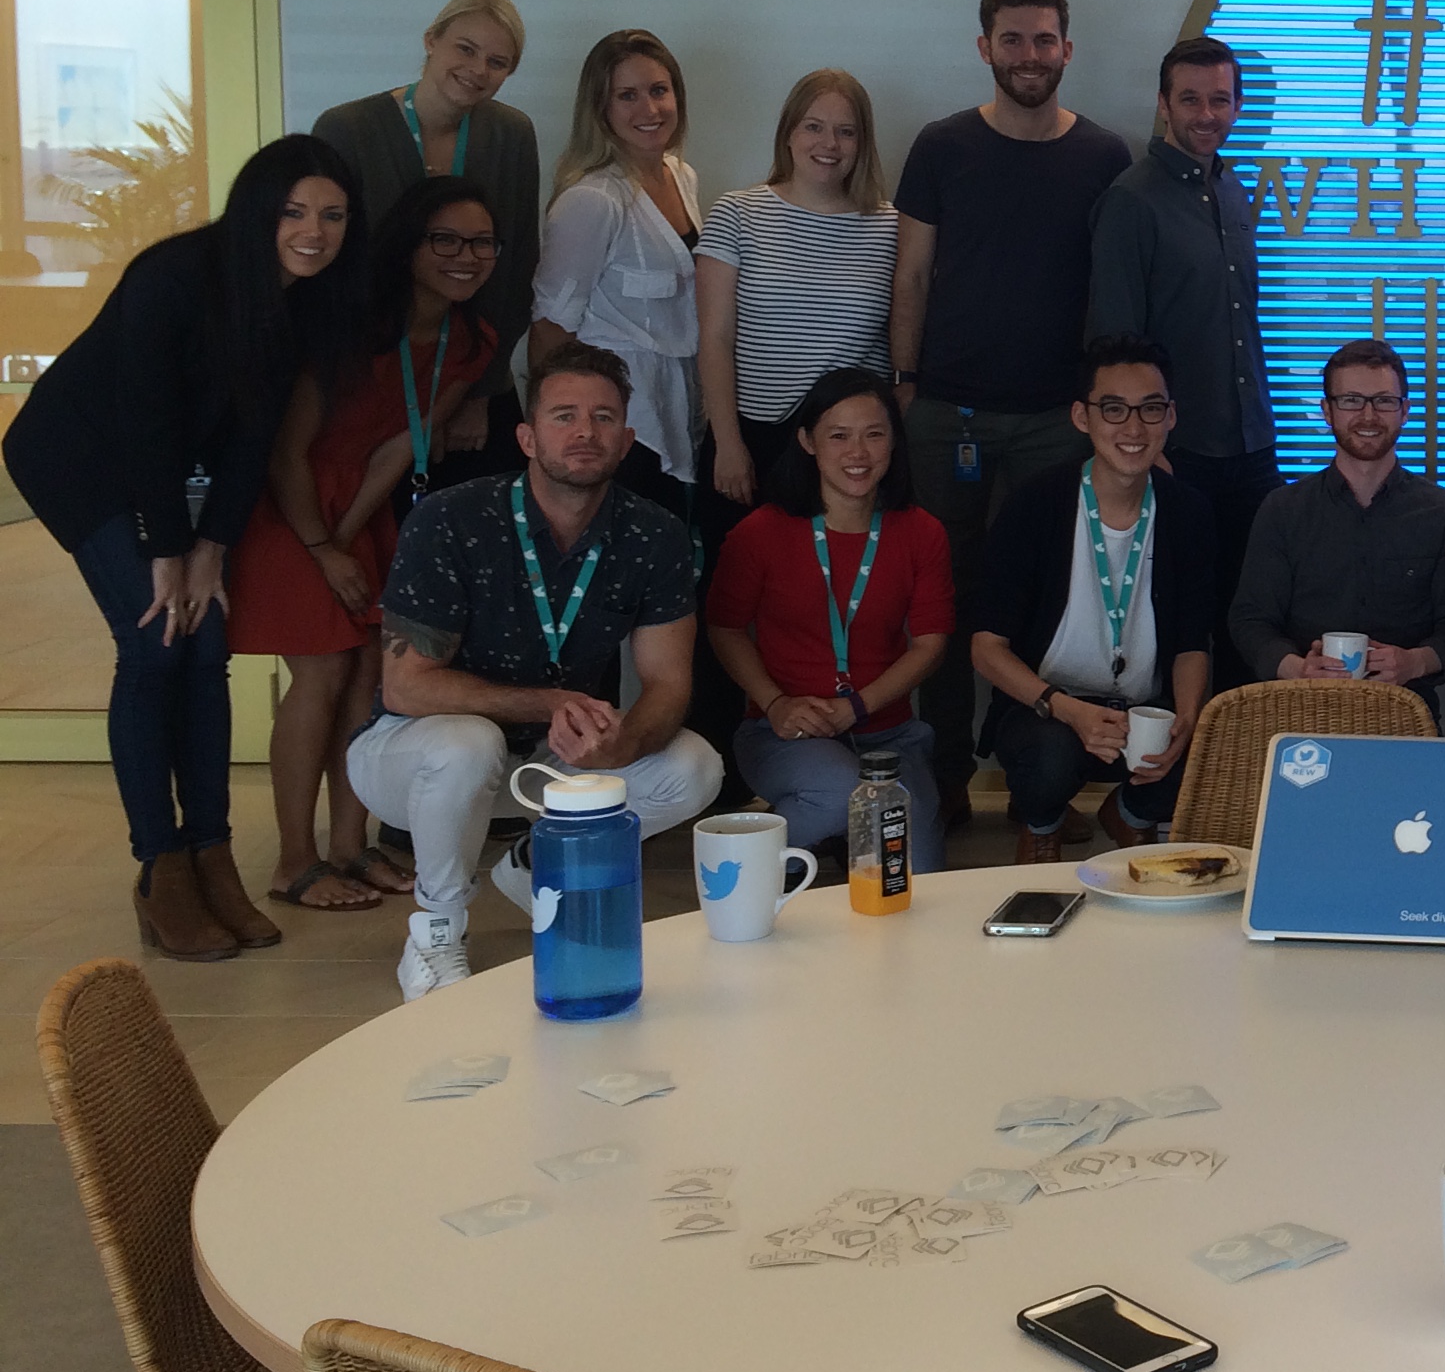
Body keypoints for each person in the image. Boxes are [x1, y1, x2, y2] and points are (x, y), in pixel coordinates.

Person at [4, 137, 365, 962]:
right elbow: (148, 422)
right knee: (155, 642)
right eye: (293, 212)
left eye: (333, 216)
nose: (313, 232)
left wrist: (212, 547)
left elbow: (252, 437)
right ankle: (160, 869)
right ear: (257, 212)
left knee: (206, 646)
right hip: (79, 458)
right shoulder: (174, 276)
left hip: (172, 472)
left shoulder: (305, 300)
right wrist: (169, 549)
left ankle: (212, 856)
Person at [346, 342, 722, 999]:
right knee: (468, 742)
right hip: (415, 755)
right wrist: (548, 702)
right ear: (527, 437)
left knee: (695, 767)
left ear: (627, 439)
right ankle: (437, 930)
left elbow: (668, 682)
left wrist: (625, 742)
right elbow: (406, 686)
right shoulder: (450, 519)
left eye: (604, 418)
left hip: (554, 756)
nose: (585, 433)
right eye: (564, 416)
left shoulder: (653, 534)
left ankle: (538, 864)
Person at [229, 176, 505, 915]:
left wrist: (349, 535)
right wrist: (322, 547)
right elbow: (287, 452)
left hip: (362, 510)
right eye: (445, 240)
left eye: (482, 243)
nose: (465, 256)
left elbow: (400, 447)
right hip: (291, 504)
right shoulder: (349, 324)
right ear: (408, 246)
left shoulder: (473, 339)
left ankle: (350, 845)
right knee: (321, 671)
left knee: (366, 676)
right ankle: (295, 861)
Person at [892, 0, 1133, 796]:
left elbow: (1108, 293)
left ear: (1067, 49)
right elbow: (911, 276)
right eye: (1013, 39)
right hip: (946, 414)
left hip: (1057, 421)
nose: (1029, 55)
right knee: (942, 600)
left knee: (1044, 595)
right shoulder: (941, 146)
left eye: (1043, 40)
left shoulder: (1104, 156)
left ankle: (1032, 767)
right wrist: (904, 386)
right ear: (984, 47)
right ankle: (944, 779)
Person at [970, 337, 1217, 863]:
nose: (1134, 428)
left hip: (1143, 710)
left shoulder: (1189, 512)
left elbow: (1192, 644)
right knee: (1049, 756)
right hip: (1048, 707)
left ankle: (1129, 814)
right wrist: (1066, 709)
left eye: (1151, 409)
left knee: (1210, 745)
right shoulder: (1035, 504)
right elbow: (986, 648)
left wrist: (1187, 720)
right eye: (1114, 409)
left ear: (1171, 416)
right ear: (1082, 417)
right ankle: (1043, 825)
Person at [705, 370, 955, 873]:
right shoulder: (761, 531)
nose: (857, 452)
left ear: (894, 441)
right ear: (807, 441)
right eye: (839, 435)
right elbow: (724, 628)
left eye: (874, 434)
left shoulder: (922, 531)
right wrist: (775, 703)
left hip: (887, 734)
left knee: (915, 875)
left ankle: (827, 835)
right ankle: (736, 877)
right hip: (784, 731)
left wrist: (856, 707)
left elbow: (930, 644)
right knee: (841, 791)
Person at [1089, 36, 1280, 634]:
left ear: (1238, 105)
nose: (1206, 114)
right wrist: (1149, 449)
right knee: (1182, 618)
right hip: (1181, 449)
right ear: (1163, 104)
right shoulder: (1131, 199)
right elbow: (1114, 344)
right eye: (1190, 99)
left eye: (1220, 100)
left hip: (1251, 445)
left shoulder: (1231, 190)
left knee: (1251, 613)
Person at [311, 0, 540, 484]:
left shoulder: (512, 134)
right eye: (465, 49)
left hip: (474, 373)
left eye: (497, 62)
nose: (477, 70)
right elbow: (330, 265)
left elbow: (515, 266)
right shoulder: (347, 129)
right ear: (431, 40)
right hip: (374, 374)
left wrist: (476, 393)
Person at [1226, 337, 1445, 718]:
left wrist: (1413, 663)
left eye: (1383, 401)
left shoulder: (1444, 513)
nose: (1368, 416)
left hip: (1406, 715)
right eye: (1351, 400)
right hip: (1298, 712)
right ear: (1327, 411)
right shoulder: (1282, 509)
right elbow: (1250, 621)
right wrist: (1298, 669)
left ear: (1405, 411)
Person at [697, 69, 900, 512]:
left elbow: (899, 337)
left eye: (846, 131)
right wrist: (728, 444)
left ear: (862, 143)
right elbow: (715, 339)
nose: (829, 144)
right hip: (754, 436)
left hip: (849, 449)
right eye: (813, 127)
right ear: (788, 133)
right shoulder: (736, 214)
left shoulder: (890, 228)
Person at [531, 27, 703, 517]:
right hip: (614, 418)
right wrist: (554, 432)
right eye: (627, 96)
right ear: (600, 108)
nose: (649, 109)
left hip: (675, 402)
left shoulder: (682, 176)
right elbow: (549, 328)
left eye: (658, 90)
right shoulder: (591, 200)